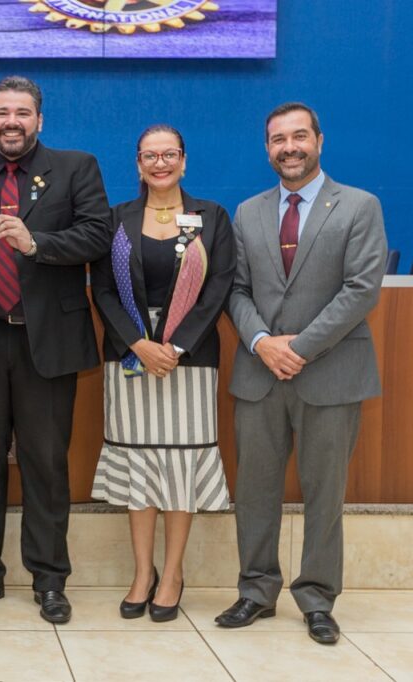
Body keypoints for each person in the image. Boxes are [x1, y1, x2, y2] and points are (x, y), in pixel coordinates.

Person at [0, 75, 110, 624]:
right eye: (2, 112)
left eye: (23, 112)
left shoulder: (76, 167)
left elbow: (98, 236)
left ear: (40, 120)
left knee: (45, 464)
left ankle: (50, 579)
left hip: (48, 342)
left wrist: (36, 244)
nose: (12, 121)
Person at [217, 102, 387, 644]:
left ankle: (317, 599)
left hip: (332, 375)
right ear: (266, 148)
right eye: (276, 139)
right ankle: (255, 591)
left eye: (298, 137)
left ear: (319, 140)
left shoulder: (359, 206)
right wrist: (264, 343)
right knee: (256, 491)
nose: (288, 147)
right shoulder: (247, 212)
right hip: (260, 373)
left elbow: (361, 289)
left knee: (324, 491)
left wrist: (301, 349)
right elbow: (236, 291)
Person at [90, 125, 235, 622]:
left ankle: (171, 574)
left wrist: (173, 346)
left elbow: (218, 288)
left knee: (179, 469)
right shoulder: (116, 220)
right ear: (137, 164)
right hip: (130, 354)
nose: (159, 163)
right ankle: (142, 573)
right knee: (138, 468)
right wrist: (139, 344)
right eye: (149, 155)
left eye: (169, 153)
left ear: (184, 160)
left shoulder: (211, 216)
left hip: (188, 359)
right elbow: (103, 290)